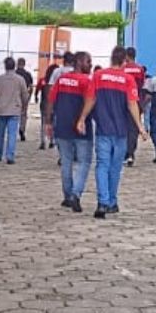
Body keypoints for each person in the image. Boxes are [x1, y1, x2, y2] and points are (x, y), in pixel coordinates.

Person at [78, 45, 148, 219]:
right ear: (124, 61)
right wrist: (140, 127)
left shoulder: (98, 76)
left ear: (111, 59)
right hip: (121, 131)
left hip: (103, 129)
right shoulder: (128, 80)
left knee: (102, 165)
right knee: (115, 168)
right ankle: (111, 202)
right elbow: (132, 104)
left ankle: (102, 202)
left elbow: (90, 99)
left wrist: (82, 118)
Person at [49, 51, 93, 212]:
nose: (90, 65)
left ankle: (67, 196)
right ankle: (76, 194)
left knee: (66, 162)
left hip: (62, 126)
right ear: (80, 62)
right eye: (88, 62)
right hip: (81, 128)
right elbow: (90, 101)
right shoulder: (87, 81)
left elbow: (51, 100)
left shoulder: (61, 79)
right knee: (84, 162)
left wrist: (48, 121)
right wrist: (83, 119)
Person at [0, 57, 30, 163]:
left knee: (0, 133)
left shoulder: (0, 79)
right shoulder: (20, 79)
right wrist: (24, 105)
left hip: (1, 109)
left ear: (5, 66)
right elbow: (25, 95)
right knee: (12, 133)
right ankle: (10, 155)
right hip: (14, 109)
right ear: (14, 66)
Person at [39, 52, 74, 149]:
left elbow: (50, 88)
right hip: (73, 104)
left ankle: (58, 146)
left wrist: (49, 102)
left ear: (64, 60)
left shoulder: (57, 71)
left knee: (57, 125)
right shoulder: (76, 71)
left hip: (59, 103)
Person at [122, 47, 148, 166]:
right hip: (136, 100)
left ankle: (125, 152)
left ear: (127, 56)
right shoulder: (140, 69)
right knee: (133, 128)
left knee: (123, 127)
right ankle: (131, 153)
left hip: (124, 101)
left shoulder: (123, 69)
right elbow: (142, 85)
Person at [14, 59, 34, 147]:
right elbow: (31, 87)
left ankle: (14, 130)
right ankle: (22, 129)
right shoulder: (28, 74)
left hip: (15, 96)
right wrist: (29, 96)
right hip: (24, 95)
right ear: (24, 64)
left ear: (17, 64)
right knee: (24, 114)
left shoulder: (14, 74)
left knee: (14, 114)